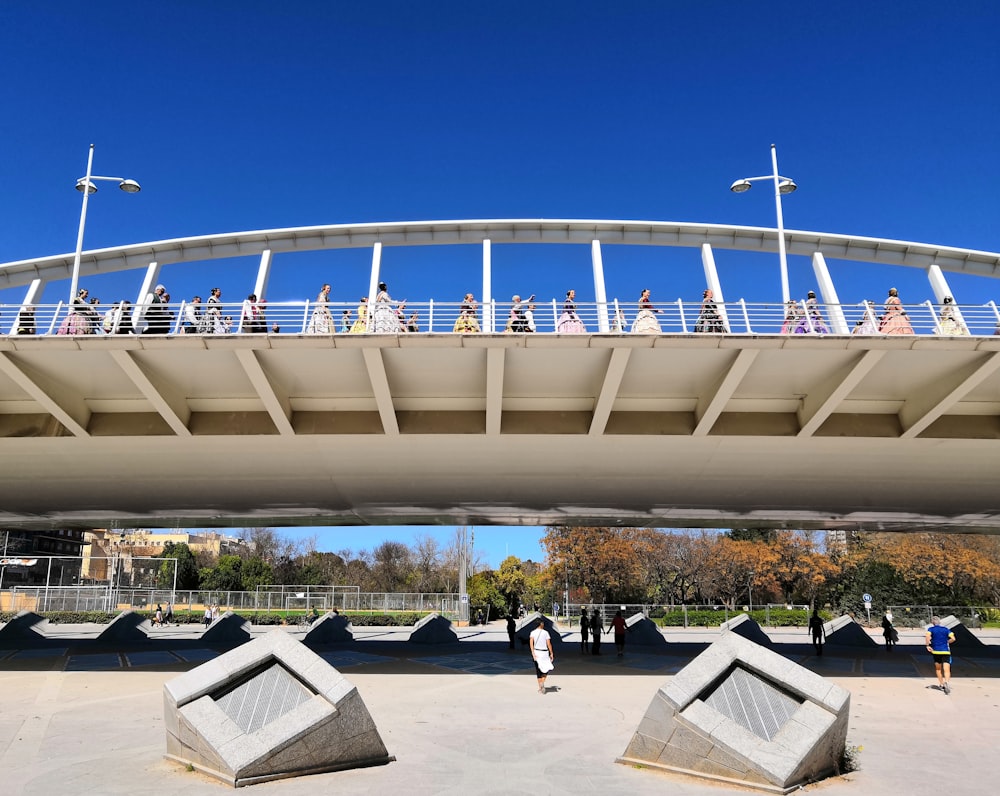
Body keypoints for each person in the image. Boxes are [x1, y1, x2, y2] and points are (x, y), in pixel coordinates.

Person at [925, 616, 956, 693]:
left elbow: (927, 636)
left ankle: (941, 684)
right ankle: (947, 682)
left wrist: (928, 645)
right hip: (945, 651)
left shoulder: (931, 629)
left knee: (938, 669)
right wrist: (947, 642)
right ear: (940, 622)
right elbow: (953, 638)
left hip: (936, 652)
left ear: (932, 623)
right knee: (947, 669)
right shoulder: (946, 629)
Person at [529, 620, 554, 694]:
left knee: (538, 670)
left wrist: (533, 653)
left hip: (536, 652)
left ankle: (540, 687)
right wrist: (551, 653)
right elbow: (549, 644)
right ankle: (542, 682)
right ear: (540, 624)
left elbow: (531, 644)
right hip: (544, 653)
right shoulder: (546, 633)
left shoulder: (533, 632)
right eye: (542, 623)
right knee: (547, 668)